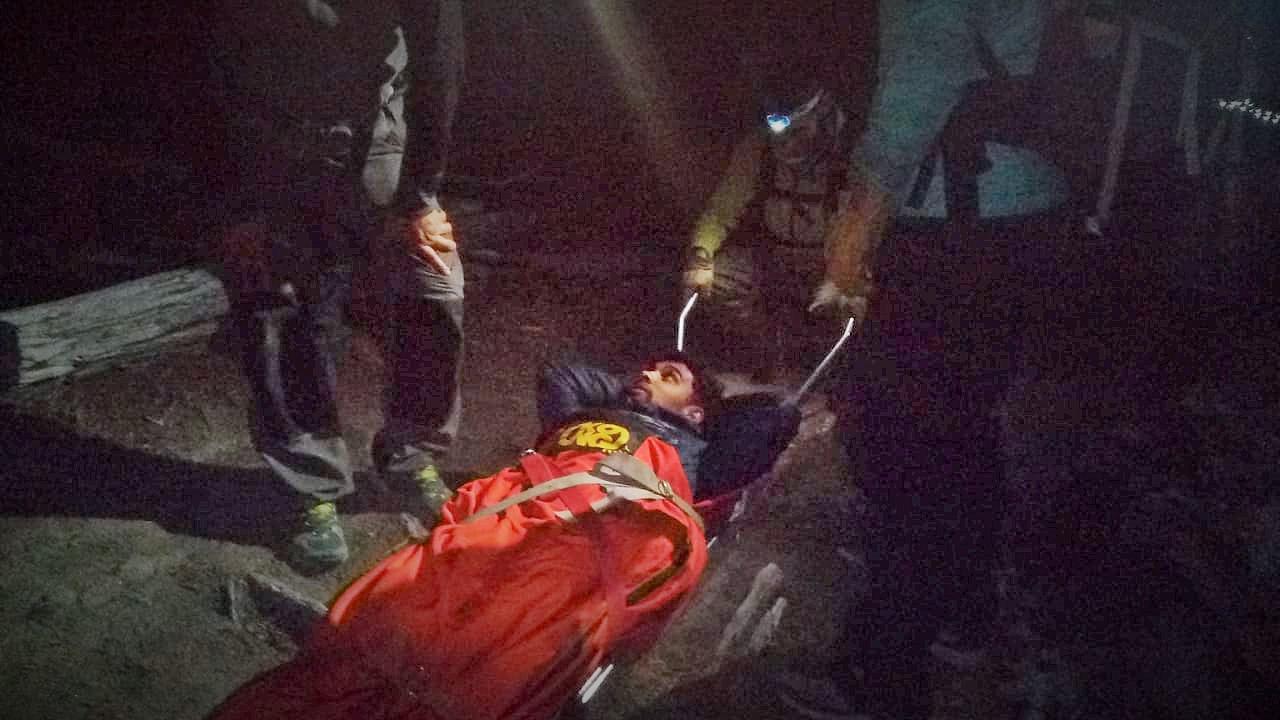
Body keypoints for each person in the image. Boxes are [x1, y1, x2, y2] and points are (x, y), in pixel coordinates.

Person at [772, 2, 1094, 719]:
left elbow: (910, 102)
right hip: (1023, 224)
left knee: (903, 445)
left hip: (958, 234)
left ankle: (880, 671)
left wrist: (850, 243)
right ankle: (964, 610)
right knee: (963, 429)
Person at [207, 353, 797, 720]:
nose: (644, 374)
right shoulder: (585, 416)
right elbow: (561, 371)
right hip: (517, 511)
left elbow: (775, 416)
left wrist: (699, 407)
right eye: (644, 368)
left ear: (696, 415)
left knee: (479, 668)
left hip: (594, 539)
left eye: (667, 376)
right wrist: (633, 393)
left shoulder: (698, 455)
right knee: (378, 628)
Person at [209, 0, 467, 572]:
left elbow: (440, 64)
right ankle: (311, 482)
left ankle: (410, 451)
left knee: (432, 285)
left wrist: (420, 197)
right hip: (275, 153)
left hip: (379, 144)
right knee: (282, 309)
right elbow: (213, 65)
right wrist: (239, 203)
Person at [679, 47, 869, 380]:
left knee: (855, 302)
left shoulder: (857, 159)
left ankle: (833, 370)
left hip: (833, 262)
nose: (789, 146)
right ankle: (771, 348)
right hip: (774, 257)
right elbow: (721, 212)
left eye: (799, 133)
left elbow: (868, 229)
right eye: (782, 134)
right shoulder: (759, 150)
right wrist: (700, 256)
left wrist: (842, 278)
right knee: (718, 279)